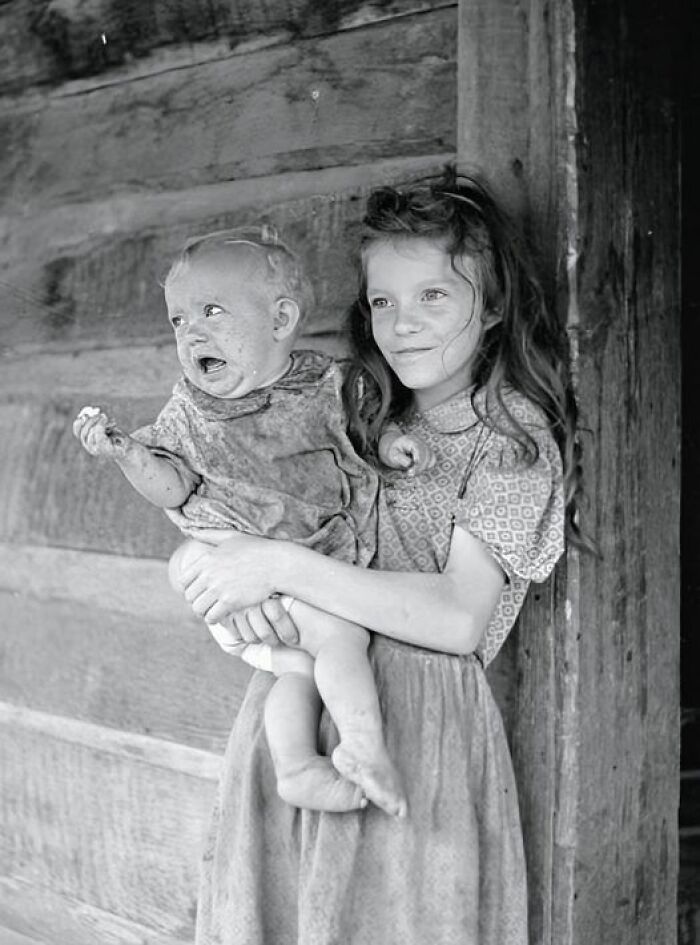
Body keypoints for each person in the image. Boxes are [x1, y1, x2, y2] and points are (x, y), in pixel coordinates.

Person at [173, 166, 578, 945]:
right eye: (384, 300)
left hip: (417, 729)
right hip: (294, 710)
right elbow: (237, 511)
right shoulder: (348, 409)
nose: (404, 323)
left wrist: (278, 566)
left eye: (434, 296)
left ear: (491, 308)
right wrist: (211, 566)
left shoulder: (509, 438)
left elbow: (462, 615)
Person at [72, 225, 410, 817]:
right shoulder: (190, 412)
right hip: (237, 582)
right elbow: (171, 486)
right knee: (342, 638)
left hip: (300, 570)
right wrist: (129, 454)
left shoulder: (323, 385)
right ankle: (364, 747)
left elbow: (363, 434)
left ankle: (297, 767)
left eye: (211, 311)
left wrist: (395, 446)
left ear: (280, 322)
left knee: (299, 675)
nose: (191, 331)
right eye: (178, 320)